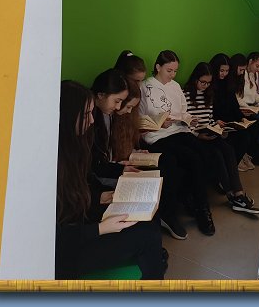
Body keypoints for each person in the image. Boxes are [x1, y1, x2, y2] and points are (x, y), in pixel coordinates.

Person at [55, 80, 165, 279]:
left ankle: (153, 258)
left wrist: (100, 197)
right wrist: (100, 228)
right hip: (66, 252)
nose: (91, 121)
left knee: (147, 219)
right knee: (148, 236)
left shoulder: (72, 147)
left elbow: (81, 190)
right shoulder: (52, 164)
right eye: (86, 115)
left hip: (81, 223)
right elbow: (54, 237)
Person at [139, 50, 216, 236]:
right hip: (157, 136)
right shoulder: (145, 87)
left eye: (175, 71)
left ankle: (195, 201)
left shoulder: (175, 86)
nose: (173, 75)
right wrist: (159, 123)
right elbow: (139, 118)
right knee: (190, 159)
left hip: (179, 130)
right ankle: (199, 210)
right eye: (169, 70)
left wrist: (189, 120)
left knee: (206, 154)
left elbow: (183, 111)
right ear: (158, 67)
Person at [113, 73, 187, 240]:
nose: (128, 111)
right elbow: (109, 154)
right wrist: (125, 159)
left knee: (170, 163)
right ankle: (164, 215)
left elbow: (127, 142)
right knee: (166, 167)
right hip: (119, 162)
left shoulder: (125, 115)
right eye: (127, 106)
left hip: (130, 155)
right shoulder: (111, 115)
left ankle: (168, 213)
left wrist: (135, 151)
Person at [183, 62, 259, 215]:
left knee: (228, 149)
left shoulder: (208, 94)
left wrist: (218, 127)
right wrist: (198, 135)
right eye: (203, 82)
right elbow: (184, 122)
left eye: (208, 83)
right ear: (195, 79)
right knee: (217, 154)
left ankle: (239, 193)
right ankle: (232, 196)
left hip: (209, 131)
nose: (205, 86)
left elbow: (209, 118)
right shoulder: (184, 94)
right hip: (195, 135)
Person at [208, 53, 254, 170]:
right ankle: (230, 167)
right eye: (221, 70)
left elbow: (234, 105)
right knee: (231, 139)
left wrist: (242, 118)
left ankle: (233, 165)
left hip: (229, 121)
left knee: (245, 135)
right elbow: (208, 109)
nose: (224, 74)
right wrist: (216, 120)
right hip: (217, 121)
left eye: (227, 71)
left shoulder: (228, 83)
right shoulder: (209, 84)